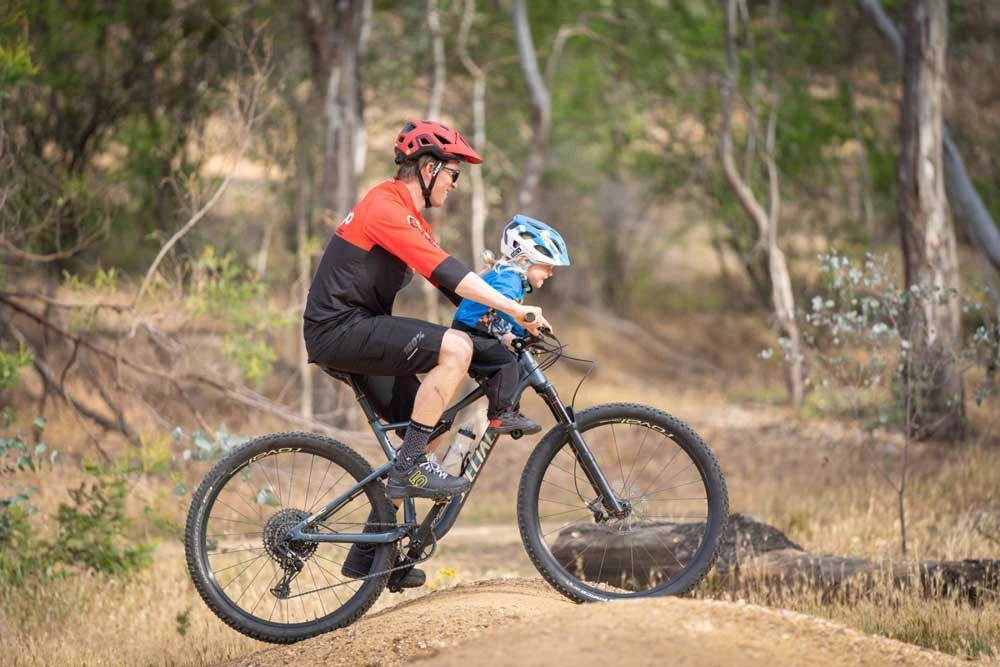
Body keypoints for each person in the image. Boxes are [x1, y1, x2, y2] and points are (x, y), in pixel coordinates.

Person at [303, 120, 551, 585]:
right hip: (340, 329)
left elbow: (454, 288)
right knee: (453, 347)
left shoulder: (409, 217)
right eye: (454, 174)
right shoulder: (385, 206)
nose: (455, 185)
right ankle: (411, 467)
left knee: (430, 426)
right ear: (429, 168)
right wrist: (515, 310)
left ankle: (369, 558)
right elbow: (451, 272)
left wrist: (502, 326)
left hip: (356, 329)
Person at [452, 215, 570, 434]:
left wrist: (524, 334)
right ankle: (500, 416)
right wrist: (522, 326)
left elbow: (506, 318)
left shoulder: (516, 282)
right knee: (505, 363)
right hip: (469, 334)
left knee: (515, 365)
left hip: (478, 334)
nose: (551, 273)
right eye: (547, 266)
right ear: (525, 260)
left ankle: (508, 411)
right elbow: (500, 313)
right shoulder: (508, 279)